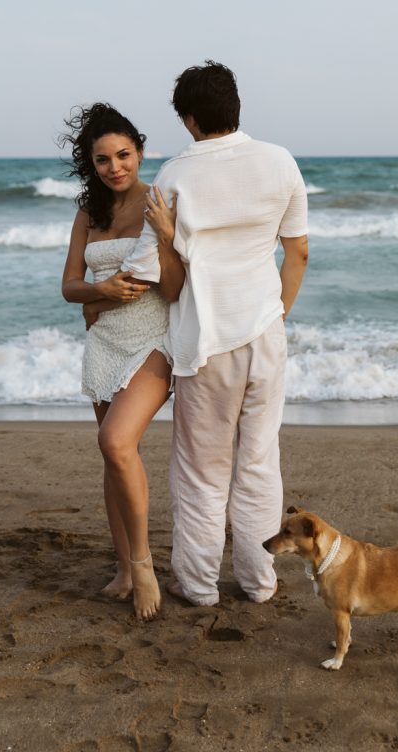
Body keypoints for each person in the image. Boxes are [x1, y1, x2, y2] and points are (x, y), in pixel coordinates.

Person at [123, 62, 309, 606]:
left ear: (188, 119)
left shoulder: (176, 176)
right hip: (264, 333)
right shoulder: (280, 162)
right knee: (258, 462)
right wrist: (278, 313)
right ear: (236, 109)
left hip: (205, 344)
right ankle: (259, 580)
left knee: (202, 472)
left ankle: (200, 586)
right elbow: (296, 252)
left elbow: (148, 276)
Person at [61, 103, 184, 621]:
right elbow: (68, 286)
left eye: (124, 155)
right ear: (91, 164)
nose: (116, 167)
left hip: (152, 340)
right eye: (104, 160)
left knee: (116, 440)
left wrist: (170, 238)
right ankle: (123, 566)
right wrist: (98, 292)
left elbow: (174, 289)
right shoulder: (89, 214)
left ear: (140, 150)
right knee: (113, 459)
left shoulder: (160, 202)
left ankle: (145, 565)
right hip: (103, 344)